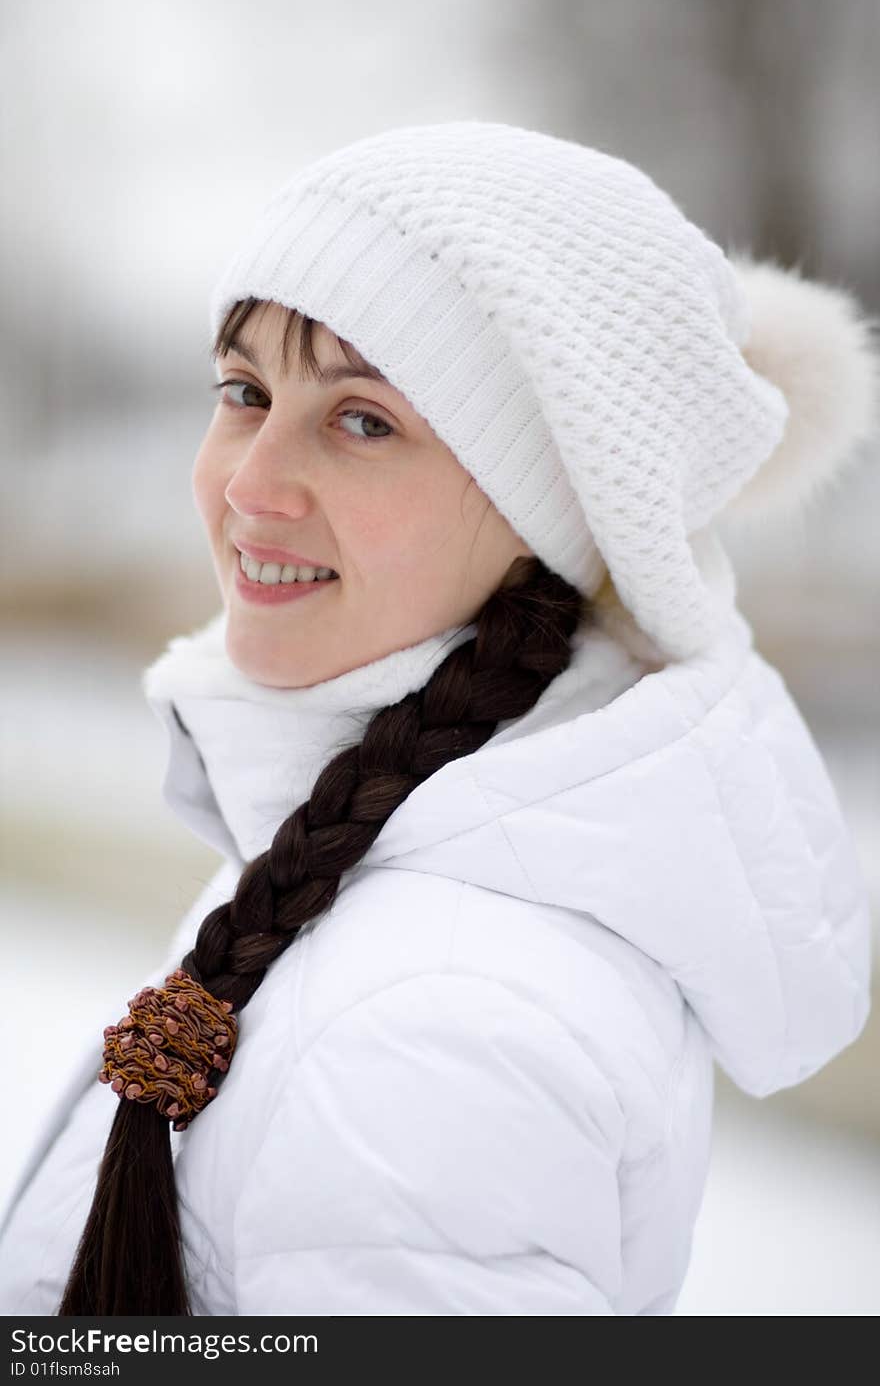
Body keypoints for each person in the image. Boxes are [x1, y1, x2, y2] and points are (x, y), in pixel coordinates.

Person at [0, 120, 875, 1317]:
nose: (250, 482)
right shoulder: (382, 854)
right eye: (246, 391)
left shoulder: (439, 1030)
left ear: (549, 506)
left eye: (364, 420)